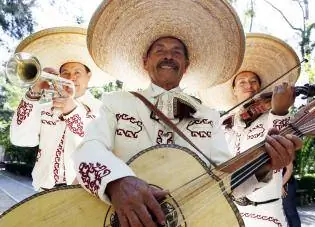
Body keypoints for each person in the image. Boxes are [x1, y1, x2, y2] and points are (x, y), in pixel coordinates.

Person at [73, 1, 302, 227]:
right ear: (145, 62)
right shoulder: (118, 102)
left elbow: (226, 181)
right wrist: (117, 182)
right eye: (159, 50)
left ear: (186, 65)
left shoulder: (209, 116)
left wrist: (264, 165)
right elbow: (88, 148)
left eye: (176, 52)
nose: (168, 56)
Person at [200, 33, 301, 227]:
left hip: (267, 214)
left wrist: (280, 111)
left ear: (261, 87)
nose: (249, 86)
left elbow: (283, 141)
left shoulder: (272, 116)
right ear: (234, 90)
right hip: (230, 213)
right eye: (242, 82)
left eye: (254, 81)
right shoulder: (221, 123)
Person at [9, 27, 110, 191]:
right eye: (65, 73)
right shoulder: (44, 108)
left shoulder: (101, 109)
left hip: (83, 192)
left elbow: (96, 147)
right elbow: (20, 139)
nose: (71, 78)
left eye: (77, 72)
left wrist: (71, 110)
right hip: (43, 190)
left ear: (88, 77)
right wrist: (34, 91)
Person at [282, 162, 301, 227]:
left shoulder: (284, 152)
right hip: (282, 185)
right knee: (286, 213)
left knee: (290, 211)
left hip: (287, 184)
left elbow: (289, 169)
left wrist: (280, 185)